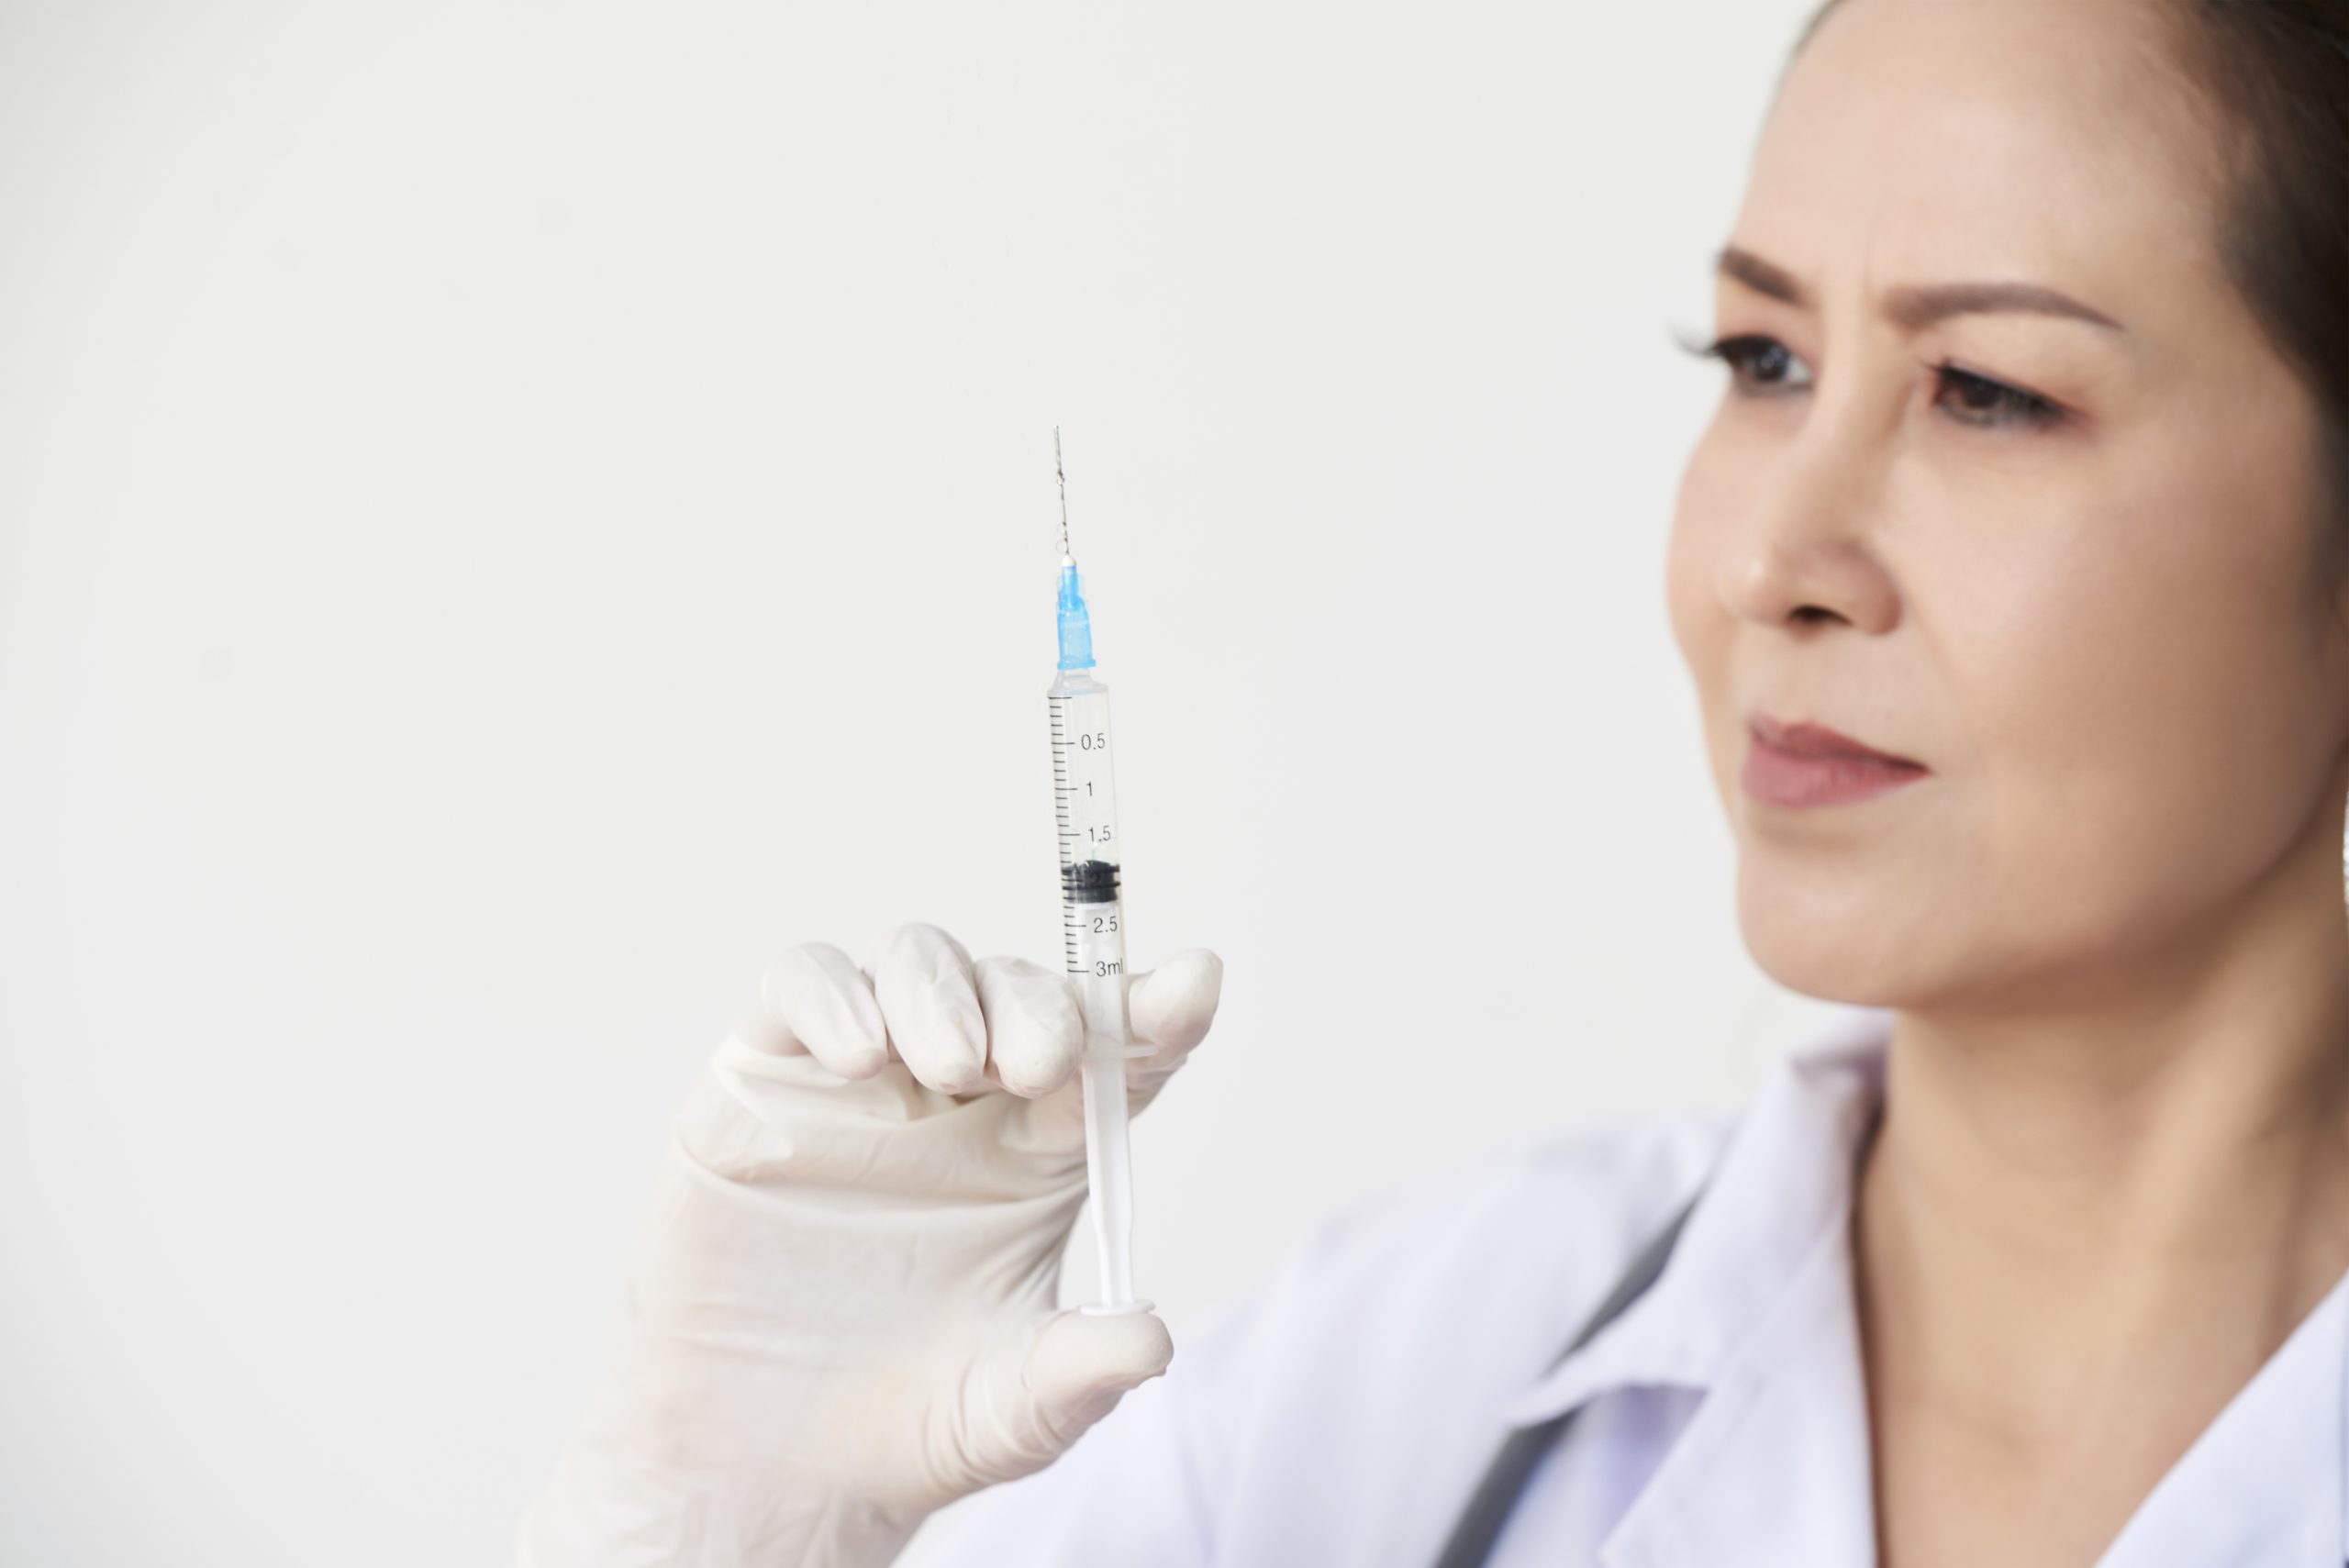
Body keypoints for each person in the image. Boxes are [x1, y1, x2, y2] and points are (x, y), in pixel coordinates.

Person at [518, 0, 2349, 1562]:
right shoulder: (1381, 1397)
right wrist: (698, 1526)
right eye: (1761, 358)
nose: (1766, 557)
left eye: (1984, 393)